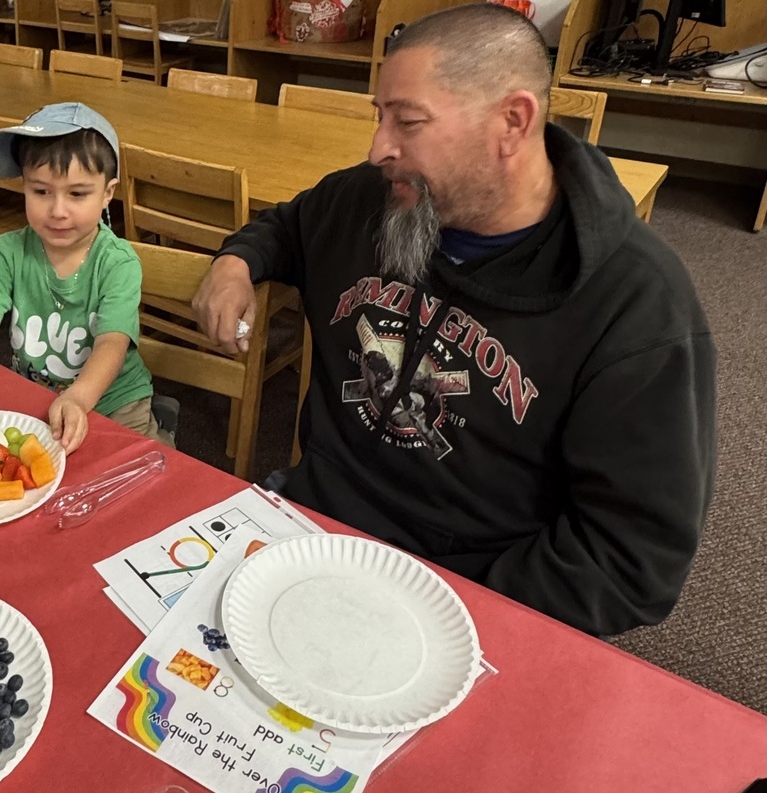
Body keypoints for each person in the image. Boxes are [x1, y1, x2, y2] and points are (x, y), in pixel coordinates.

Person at [192, 5, 716, 636]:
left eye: (408, 122)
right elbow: (286, 225)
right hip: (315, 523)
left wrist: (450, 611)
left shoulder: (639, 306)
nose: (378, 148)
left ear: (512, 121)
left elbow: (631, 563)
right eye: (380, 116)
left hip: (472, 591)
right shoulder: (371, 197)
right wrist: (235, 263)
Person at [0, 103, 175, 453]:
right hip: (37, 395)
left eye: (77, 194)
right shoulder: (8, 251)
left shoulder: (117, 263)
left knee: (143, 468)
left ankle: (162, 425)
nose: (58, 211)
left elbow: (112, 342)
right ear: (24, 186)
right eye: (41, 192)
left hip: (115, 401)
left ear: (107, 193)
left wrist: (78, 398)